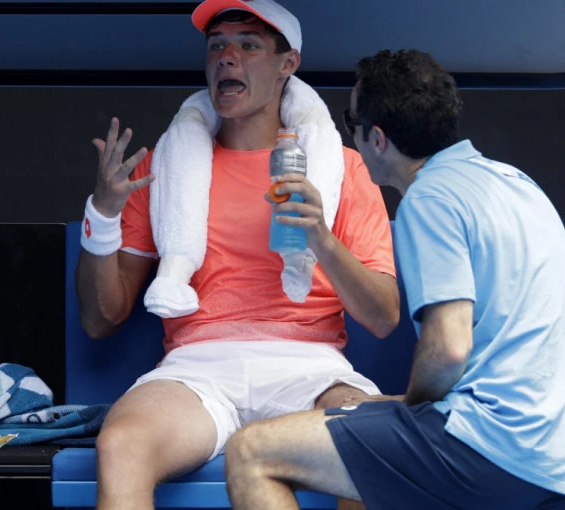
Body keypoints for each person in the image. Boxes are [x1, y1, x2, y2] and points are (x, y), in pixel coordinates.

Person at [224, 49, 565, 510]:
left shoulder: (429, 197)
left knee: (252, 451)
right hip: (560, 468)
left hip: (484, 448)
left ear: (377, 139)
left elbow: (448, 348)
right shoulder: (517, 183)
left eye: (351, 123)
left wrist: (409, 404)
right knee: (361, 437)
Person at [74, 0, 400, 508]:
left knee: (368, 439)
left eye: (249, 45)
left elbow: (383, 317)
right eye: (217, 46)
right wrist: (103, 215)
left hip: (311, 368)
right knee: (121, 444)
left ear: (287, 64)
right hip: (197, 372)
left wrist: (320, 235)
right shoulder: (163, 167)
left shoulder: (342, 167)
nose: (227, 57)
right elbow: (100, 320)